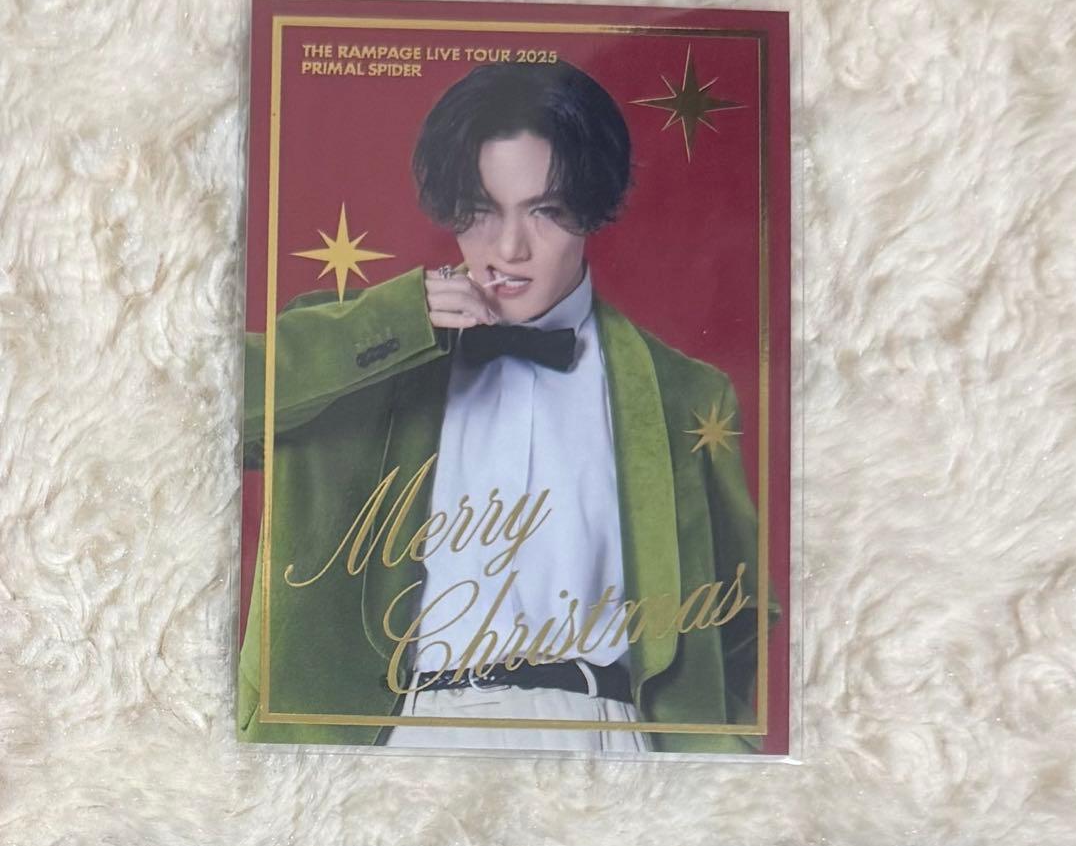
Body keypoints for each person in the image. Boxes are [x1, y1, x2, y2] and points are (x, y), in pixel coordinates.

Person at [237, 60, 773, 753]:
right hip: (407, 735)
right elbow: (205, 415)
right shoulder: (361, 353)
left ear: (592, 207)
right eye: (482, 209)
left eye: (545, 210)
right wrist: (393, 322)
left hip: (607, 738)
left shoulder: (687, 395)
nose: (509, 249)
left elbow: (741, 615)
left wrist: (719, 765)